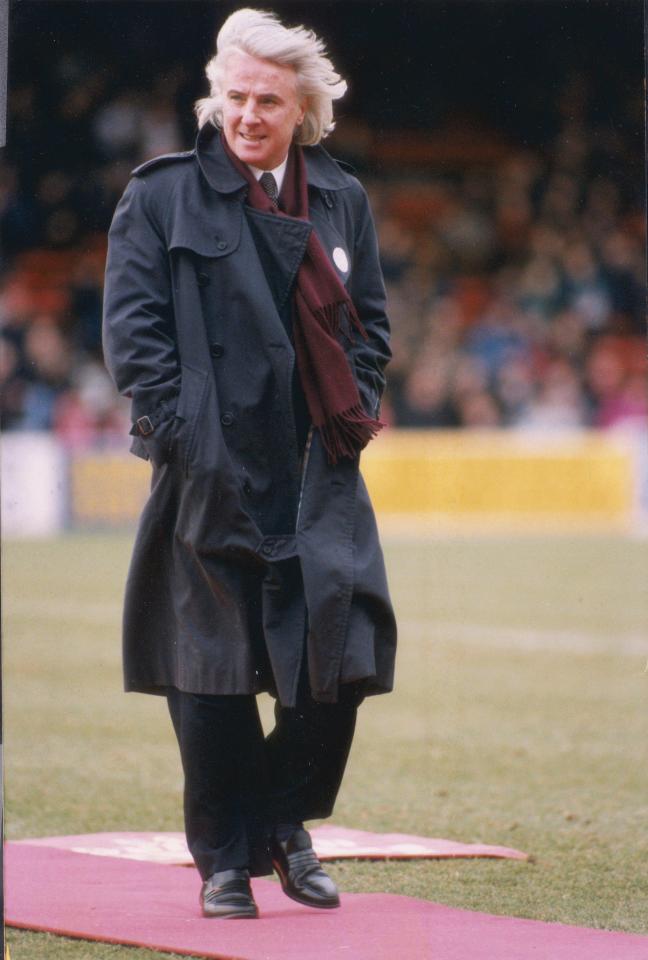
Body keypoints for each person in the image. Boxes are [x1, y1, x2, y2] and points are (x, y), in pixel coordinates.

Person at [102, 7, 396, 920]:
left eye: (268, 99)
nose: (247, 114)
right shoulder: (158, 196)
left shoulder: (343, 199)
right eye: (234, 95)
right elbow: (133, 334)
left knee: (344, 658)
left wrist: (357, 408)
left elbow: (373, 327)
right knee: (211, 673)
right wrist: (185, 435)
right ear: (214, 95)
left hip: (318, 466)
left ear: (303, 108)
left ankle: (280, 822)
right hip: (208, 464)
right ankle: (225, 862)